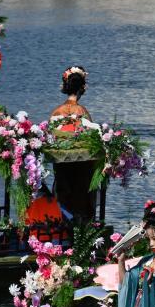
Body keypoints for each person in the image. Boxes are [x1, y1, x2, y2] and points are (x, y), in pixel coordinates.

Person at [50, 65, 96, 221]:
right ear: (82, 88)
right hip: (82, 171)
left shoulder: (56, 112)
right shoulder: (83, 113)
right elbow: (92, 142)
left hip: (62, 167)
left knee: (63, 196)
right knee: (81, 201)